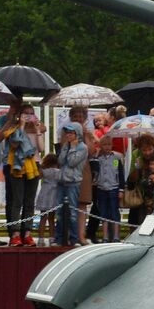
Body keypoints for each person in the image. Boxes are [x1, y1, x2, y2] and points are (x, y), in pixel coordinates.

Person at [0, 102, 43, 246]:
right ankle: (15, 234)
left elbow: (41, 148)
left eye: (31, 113)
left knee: (29, 201)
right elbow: (15, 143)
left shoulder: (37, 128)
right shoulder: (14, 129)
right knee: (17, 200)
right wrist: (21, 125)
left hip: (33, 166)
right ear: (19, 115)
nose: (28, 116)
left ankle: (27, 233)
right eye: (25, 113)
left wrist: (38, 131)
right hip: (17, 166)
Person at [54, 121, 87, 247]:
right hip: (62, 182)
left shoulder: (82, 147)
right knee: (60, 211)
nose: (68, 135)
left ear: (77, 134)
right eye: (66, 132)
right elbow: (61, 161)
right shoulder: (66, 145)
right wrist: (66, 148)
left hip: (73, 183)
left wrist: (72, 148)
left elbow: (72, 162)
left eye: (71, 132)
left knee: (72, 212)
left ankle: (74, 239)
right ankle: (59, 238)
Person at [65, 105, 94, 244]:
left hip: (84, 169)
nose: (78, 119)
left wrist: (86, 134)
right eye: (75, 117)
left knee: (82, 203)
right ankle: (72, 235)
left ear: (85, 118)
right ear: (71, 118)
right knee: (70, 203)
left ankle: (81, 236)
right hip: (70, 170)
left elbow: (92, 151)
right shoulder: (66, 132)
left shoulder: (87, 132)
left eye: (81, 117)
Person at [90, 135, 124, 243]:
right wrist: (96, 154)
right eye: (104, 145)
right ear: (101, 146)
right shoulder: (98, 159)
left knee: (114, 212)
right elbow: (94, 168)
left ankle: (116, 236)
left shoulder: (116, 158)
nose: (107, 147)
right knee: (103, 212)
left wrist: (121, 189)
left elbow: (120, 173)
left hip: (113, 187)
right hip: (101, 188)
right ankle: (105, 236)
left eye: (109, 144)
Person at [33, 153, 60, 247]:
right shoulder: (58, 172)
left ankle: (40, 239)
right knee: (52, 219)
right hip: (54, 196)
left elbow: (38, 176)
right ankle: (52, 238)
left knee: (43, 218)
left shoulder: (44, 171)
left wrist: (40, 166)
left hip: (44, 195)